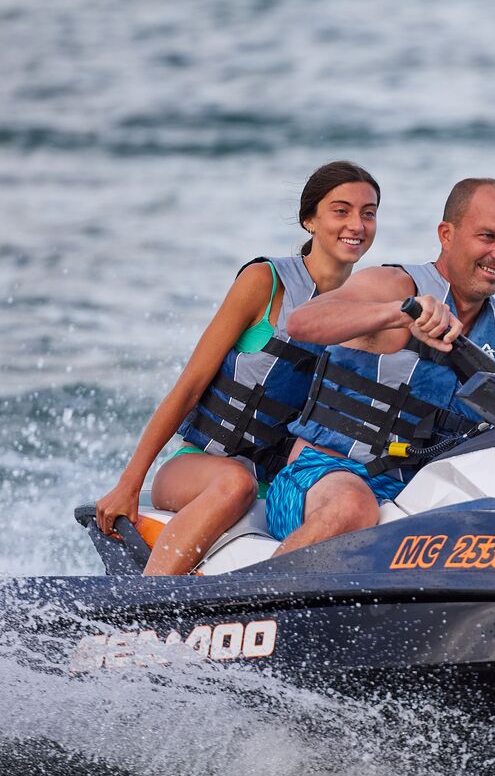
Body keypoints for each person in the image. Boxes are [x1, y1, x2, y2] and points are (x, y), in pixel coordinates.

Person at [92, 161, 382, 575]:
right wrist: (129, 484)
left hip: (280, 483)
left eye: (368, 213)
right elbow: (190, 385)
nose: (357, 223)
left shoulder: (362, 309)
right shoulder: (265, 283)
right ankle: (148, 604)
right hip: (199, 466)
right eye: (341, 210)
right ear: (309, 220)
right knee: (235, 483)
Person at [272, 177, 495, 552]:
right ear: (447, 234)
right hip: (319, 479)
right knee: (354, 504)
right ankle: (245, 604)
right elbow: (301, 323)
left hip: (422, 498)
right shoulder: (394, 286)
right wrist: (398, 315)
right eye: (488, 237)